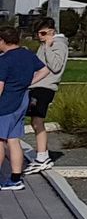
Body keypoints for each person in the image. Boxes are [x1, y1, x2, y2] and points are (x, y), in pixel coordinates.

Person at [0, 27, 50, 191]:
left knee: (0, 141)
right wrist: (29, 82)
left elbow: (0, 86)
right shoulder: (28, 55)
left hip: (6, 103)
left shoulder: (4, 60)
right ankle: (15, 178)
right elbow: (45, 69)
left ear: (2, 40)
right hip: (22, 101)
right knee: (14, 140)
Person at [25, 18, 67, 175]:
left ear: (52, 31)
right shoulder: (45, 44)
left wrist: (48, 47)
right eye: (38, 34)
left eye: (43, 33)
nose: (40, 37)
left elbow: (56, 66)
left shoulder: (58, 44)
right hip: (37, 85)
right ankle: (42, 154)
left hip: (45, 87)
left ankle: (42, 158)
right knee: (35, 120)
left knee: (38, 120)